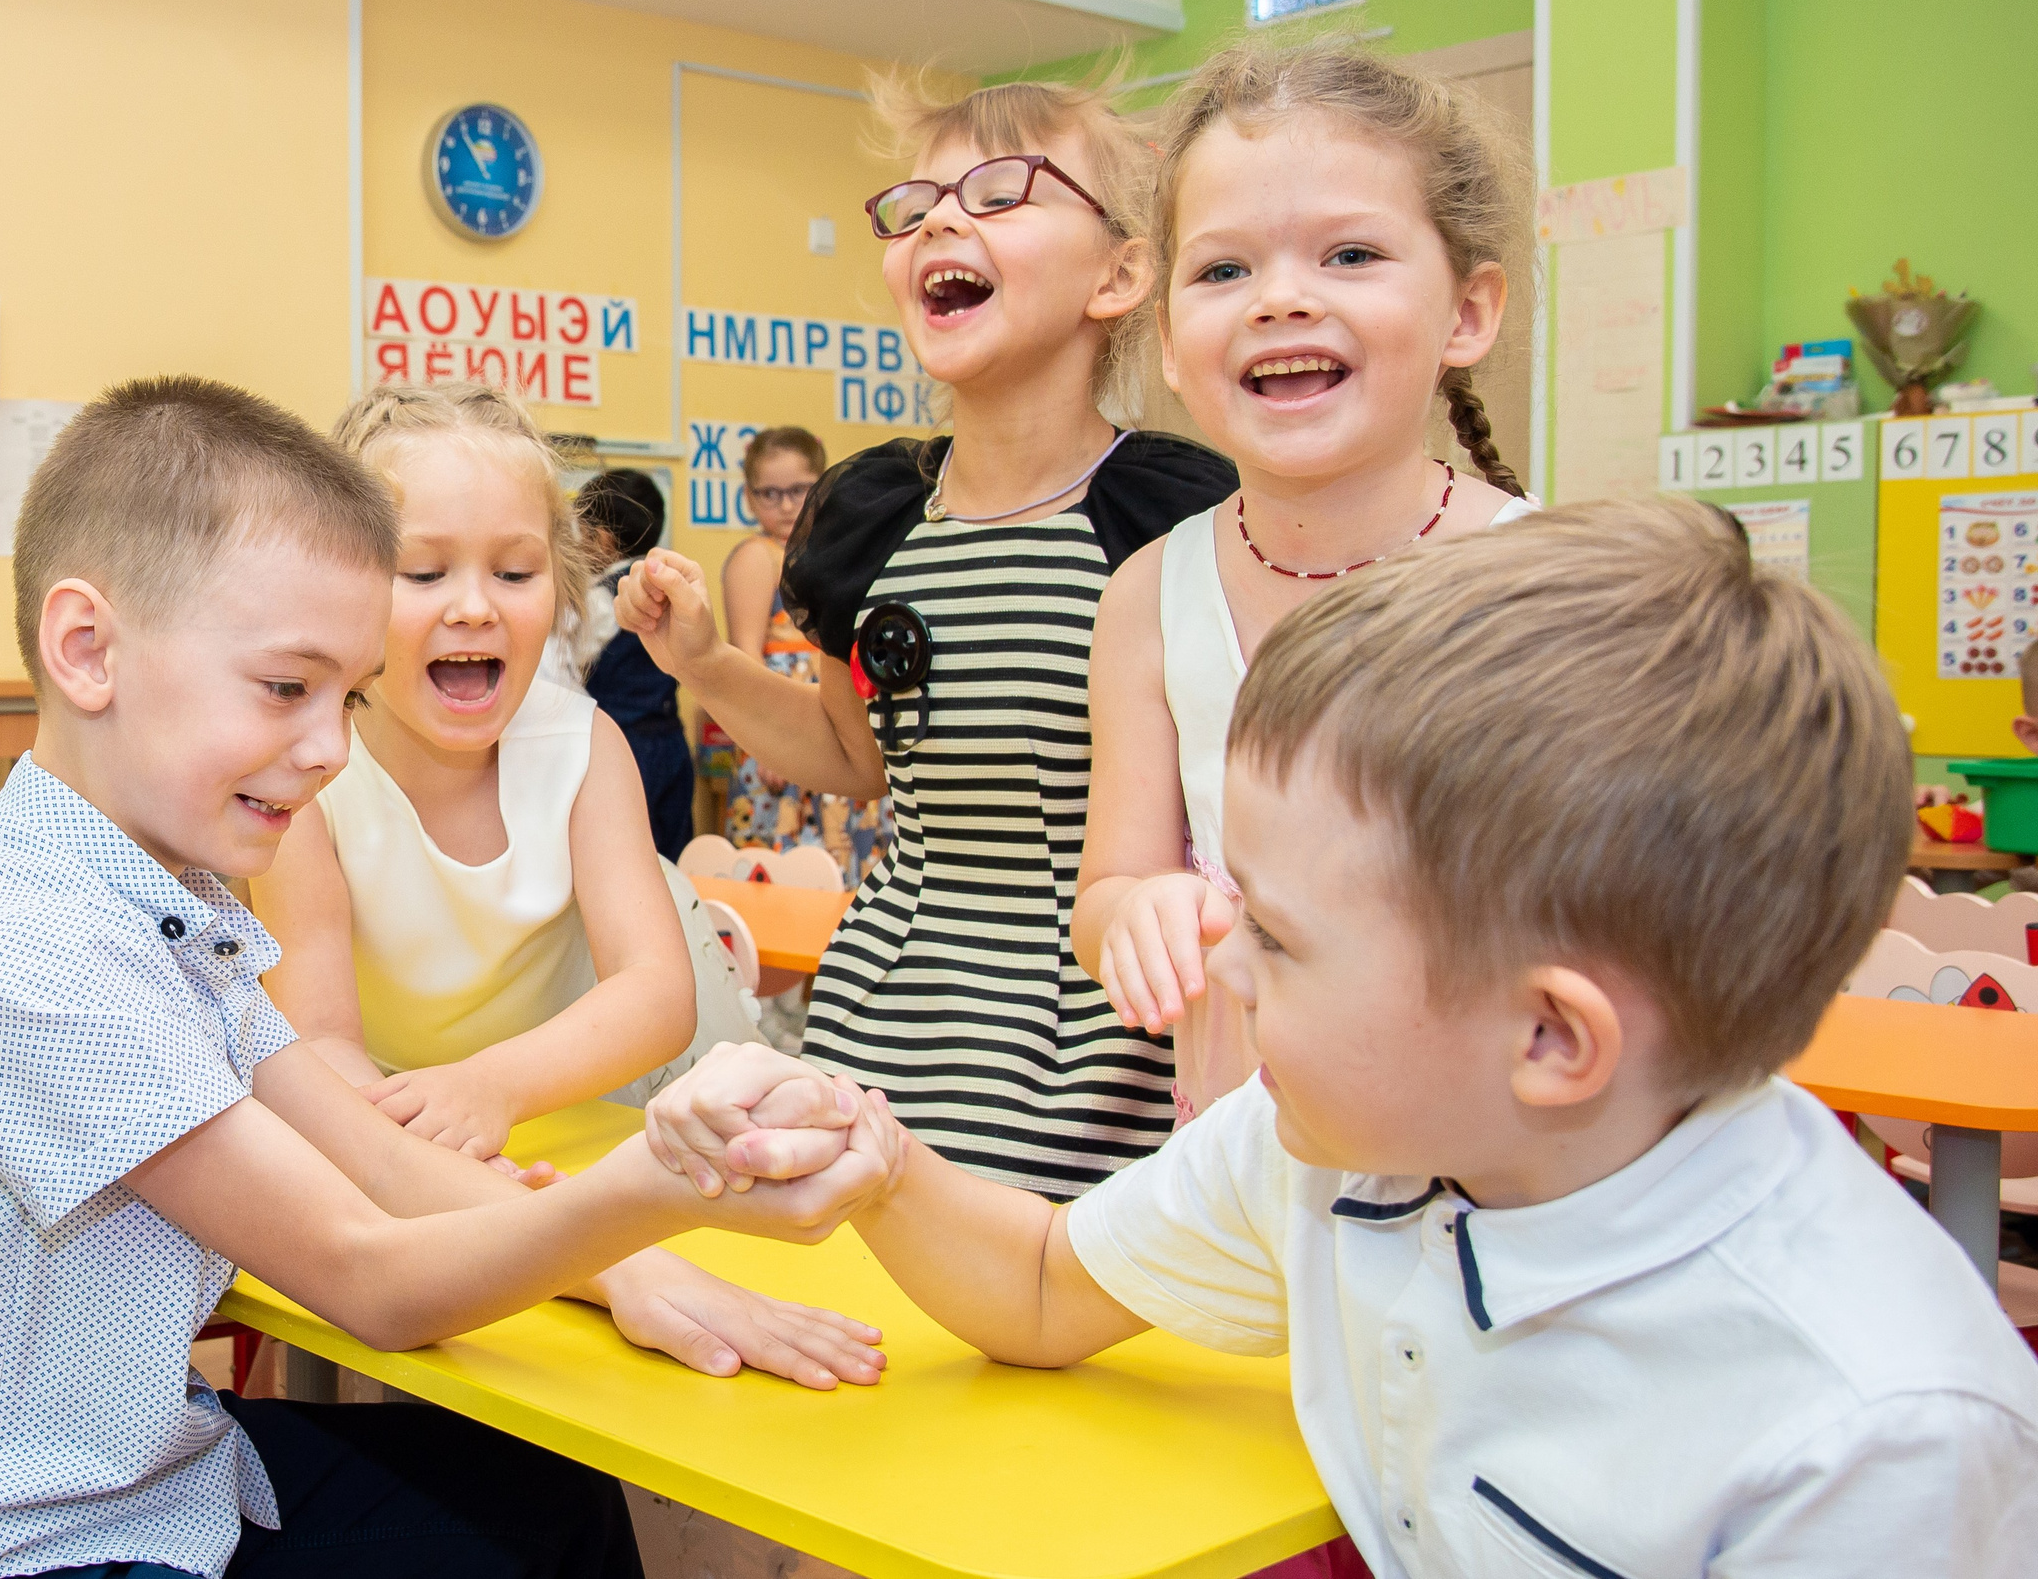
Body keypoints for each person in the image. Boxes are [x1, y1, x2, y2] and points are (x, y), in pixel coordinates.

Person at [651, 497, 2038, 1578]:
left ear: (1551, 1039)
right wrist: (880, 1160)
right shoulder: (1345, 1136)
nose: (1224, 959)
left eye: (1276, 933)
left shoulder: (1872, 1432)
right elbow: (1042, 1283)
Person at [0, 377, 889, 1579]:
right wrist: (654, 1190)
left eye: (343, 694)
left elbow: (373, 1156)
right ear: (87, 649)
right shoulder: (27, 952)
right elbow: (367, 1273)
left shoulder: (173, 899)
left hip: (143, 1474)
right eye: (285, 688)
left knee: (555, 1508)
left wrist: (631, 1269)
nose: (327, 747)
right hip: (4, 1539)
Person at [619, 79, 1238, 1198]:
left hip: (1100, 1066)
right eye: (916, 206)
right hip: (884, 1032)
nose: (944, 222)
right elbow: (856, 760)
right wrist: (706, 664)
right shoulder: (874, 516)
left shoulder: (1176, 520)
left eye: (1003, 193)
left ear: (1121, 273)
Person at [1075, 37, 1537, 1119]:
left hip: (1492, 1149)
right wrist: (1139, 910)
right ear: (1172, 346)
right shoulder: (1148, 596)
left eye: (1349, 256)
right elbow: (1106, 888)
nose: (1280, 298)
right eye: (1224, 269)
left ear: (1466, 312)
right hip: (1239, 1144)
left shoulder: (1540, 583)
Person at [253, 385, 756, 1169]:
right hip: (412, 1113)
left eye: (516, 573)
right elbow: (317, 1037)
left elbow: (658, 993)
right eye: (423, 572)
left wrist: (493, 1086)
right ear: (339, 587)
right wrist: (426, 1146)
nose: (475, 607)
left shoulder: (583, 746)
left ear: (559, 591)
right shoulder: (307, 774)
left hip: (601, 1095)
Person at [715, 426, 890, 887]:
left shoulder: (830, 556)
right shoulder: (759, 556)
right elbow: (746, 655)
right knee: (781, 875)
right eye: (769, 494)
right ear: (750, 499)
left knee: (844, 872)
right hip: (783, 734)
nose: (787, 505)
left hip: (837, 731)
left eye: (798, 490)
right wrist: (770, 737)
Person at [572, 468, 695, 860]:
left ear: (602, 541)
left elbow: (568, 664)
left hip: (623, 747)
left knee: (623, 855)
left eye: (578, 533)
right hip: (671, 741)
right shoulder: (665, 587)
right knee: (671, 855)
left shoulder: (602, 598)